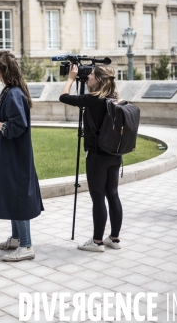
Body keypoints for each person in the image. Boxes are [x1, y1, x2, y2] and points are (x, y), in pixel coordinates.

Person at [0, 51, 43, 262]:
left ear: (0, 70)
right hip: (11, 155)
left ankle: (26, 245)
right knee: (14, 195)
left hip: (15, 156)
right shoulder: (11, 92)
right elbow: (8, 118)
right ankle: (16, 239)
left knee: (18, 196)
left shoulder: (13, 93)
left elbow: (17, 126)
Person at [59, 64, 123, 252]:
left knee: (98, 198)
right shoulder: (115, 99)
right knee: (113, 194)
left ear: (99, 80)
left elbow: (63, 97)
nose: (88, 78)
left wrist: (71, 78)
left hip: (97, 157)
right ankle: (114, 238)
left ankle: (97, 242)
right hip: (115, 155)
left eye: (91, 75)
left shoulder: (93, 99)